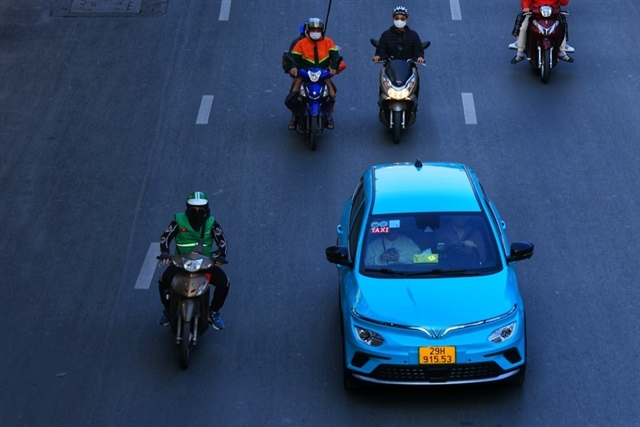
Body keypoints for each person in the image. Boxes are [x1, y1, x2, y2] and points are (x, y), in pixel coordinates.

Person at [157, 191, 229, 330]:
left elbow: (223, 241)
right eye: (193, 209)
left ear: (206, 209)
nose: (197, 212)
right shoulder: (178, 220)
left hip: (205, 263)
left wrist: (222, 256)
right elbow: (165, 237)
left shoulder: (212, 223)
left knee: (224, 282)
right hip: (181, 262)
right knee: (163, 280)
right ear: (188, 208)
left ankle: (213, 312)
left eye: (200, 210)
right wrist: (165, 252)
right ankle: (167, 309)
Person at [288, 18, 341, 130]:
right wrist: (293, 67)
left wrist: (334, 67)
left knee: (332, 94)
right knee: (294, 93)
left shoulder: (328, 42)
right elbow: (293, 58)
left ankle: (328, 114)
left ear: (322, 31)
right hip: (304, 75)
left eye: (318, 30)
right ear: (308, 31)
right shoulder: (301, 44)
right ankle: (294, 117)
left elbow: (335, 57)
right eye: (313, 30)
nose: (315, 32)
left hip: (322, 74)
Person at [510, 0, 573, 64]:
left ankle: (562, 50)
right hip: (535, 13)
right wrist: (526, 7)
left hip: (553, 13)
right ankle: (520, 52)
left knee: (561, 27)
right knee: (523, 27)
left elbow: (564, 2)